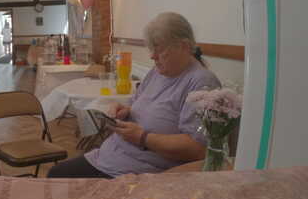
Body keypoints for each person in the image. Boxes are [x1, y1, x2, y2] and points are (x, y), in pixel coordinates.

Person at [47, 12, 220, 178]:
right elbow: (138, 103)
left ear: (184, 47)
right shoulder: (157, 72)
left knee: (60, 182)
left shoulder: (202, 83)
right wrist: (126, 110)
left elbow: (198, 148)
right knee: (56, 175)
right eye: (151, 49)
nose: (152, 56)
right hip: (112, 156)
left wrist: (143, 138)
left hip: (140, 171)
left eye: (160, 50)